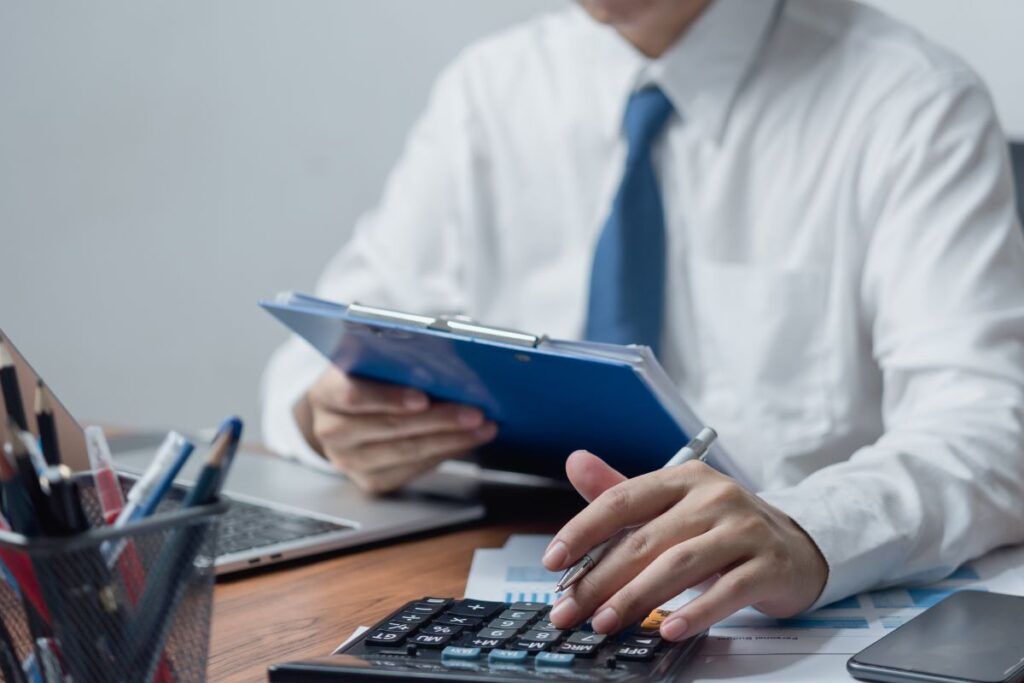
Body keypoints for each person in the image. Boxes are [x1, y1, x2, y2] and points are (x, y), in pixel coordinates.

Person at [262, 0, 1024, 642]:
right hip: (495, 599)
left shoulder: (911, 101)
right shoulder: (490, 90)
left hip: (757, 623)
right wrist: (326, 415)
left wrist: (810, 526)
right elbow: (313, 355)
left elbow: (991, 429)